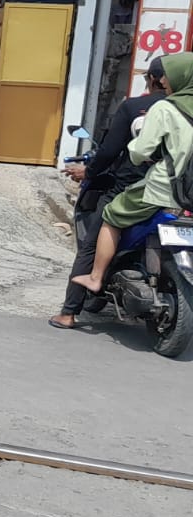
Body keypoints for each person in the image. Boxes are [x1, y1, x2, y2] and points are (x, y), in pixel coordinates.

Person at [50, 58, 168, 330]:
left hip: (130, 188)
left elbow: (109, 151)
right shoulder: (183, 108)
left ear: (152, 79)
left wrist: (90, 172)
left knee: (91, 244)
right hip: (177, 193)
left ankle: (69, 312)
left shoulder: (135, 107)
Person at [71, 52, 193, 295]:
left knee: (111, 213)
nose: (164, 83)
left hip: (164, 188)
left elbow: (140, 152)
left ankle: (95, 277)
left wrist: (138, 149)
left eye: (168, 77)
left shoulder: (164, 108)